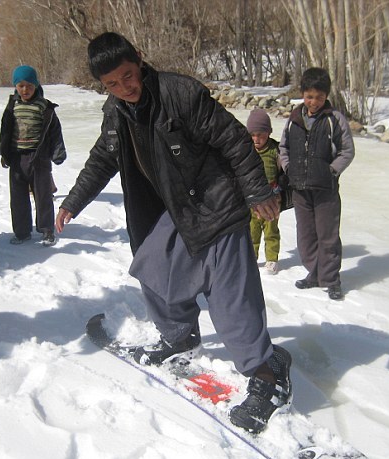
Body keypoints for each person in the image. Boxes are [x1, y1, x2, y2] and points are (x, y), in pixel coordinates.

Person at [57, 32, 292, 434]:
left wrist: (257, 192)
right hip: (177, 209)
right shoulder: (116, 111)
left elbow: (235, 140)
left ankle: (269, 373)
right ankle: (179, 338)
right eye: (112, 83)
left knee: (231, 300)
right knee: (154, 268)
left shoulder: (180, 94)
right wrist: (72, 201)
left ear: (141, 60)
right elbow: (103, 156)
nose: (124, 88)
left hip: (216, 202)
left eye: (128, 76)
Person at [278, 68, 355, 300]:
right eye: (309, 96)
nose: (314, 102)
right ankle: (315, 273)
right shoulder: (294, 119)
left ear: (326, 96)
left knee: (327, 236)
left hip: (326, 190)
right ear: (303, 94)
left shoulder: (334, 120)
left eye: (319, 97)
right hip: (300, 189)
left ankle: (331, 280)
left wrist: (331, 171)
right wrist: (288, 167)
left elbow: (347, 151)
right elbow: (283, 148)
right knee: (306, 237)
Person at [0, 65, 66, 246]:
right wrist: (4, 153)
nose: (25, 90)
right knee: (18, 197)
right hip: (17, 158)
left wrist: (58, 152)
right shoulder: (13, 106)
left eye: (29, 85)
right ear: (15, 87)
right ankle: (21, 232)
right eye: (20, 86)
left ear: (36, 85)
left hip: (39, 158)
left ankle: (46, 230)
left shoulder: (44, 106)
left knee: (43, 196)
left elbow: (55, 131)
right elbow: (5, 130)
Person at [246, 109, 282, 275]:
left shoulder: (275, 150)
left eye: (260, 135)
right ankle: (251, 257)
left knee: (271, 230)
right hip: (252, 200)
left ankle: (272, 258)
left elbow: (283, 171)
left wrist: (280, 191)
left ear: (268, 133)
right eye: (252, 135)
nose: (256, 139)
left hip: (272, 199)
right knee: (252, 229)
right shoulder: (246, 150)